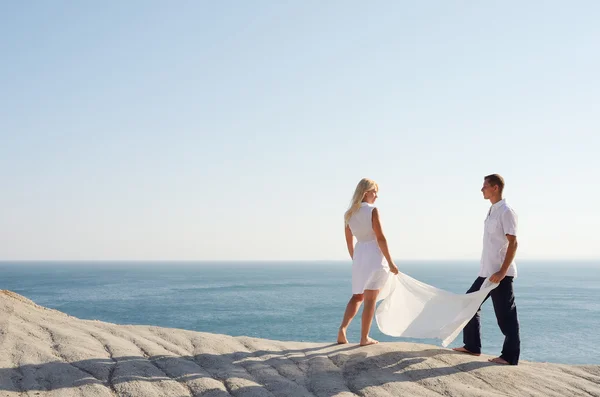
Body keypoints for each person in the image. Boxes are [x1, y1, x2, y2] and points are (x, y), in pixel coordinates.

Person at [453, 174, 521, 365]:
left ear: (496, 188)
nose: (482, 190)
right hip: (486, 272)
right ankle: (472, 346)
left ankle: (510, 356)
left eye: (485, 186)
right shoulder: (492, 210)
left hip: (500, 274)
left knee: (506, 315)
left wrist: (501, 272)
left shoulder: (506, 212)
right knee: (468, 304)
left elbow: (513, 243)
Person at [337, 178, 399, 346]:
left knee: (357, 296)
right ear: (366, 193)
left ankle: (342, 329)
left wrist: (356, 259)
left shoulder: (349, 214)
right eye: (374, 192)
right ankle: (364, 338)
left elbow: (349, 243)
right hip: (374, 256)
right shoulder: (373, 211)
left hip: (359, 256)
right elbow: (380, 238)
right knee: (370, 298)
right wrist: (391, 263)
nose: (376, 196)